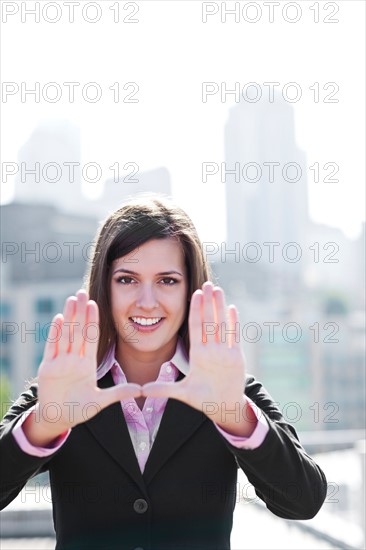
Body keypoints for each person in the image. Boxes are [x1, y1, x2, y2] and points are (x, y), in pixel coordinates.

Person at [0, 194, 327, 550]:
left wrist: (234, 417)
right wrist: (44, 424)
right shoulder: (65, 388)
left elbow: (304, 500)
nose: (147, 301)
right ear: (104, 287)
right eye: (127, 279)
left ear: (191, 289)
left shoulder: (226, 388)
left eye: (167, 281)